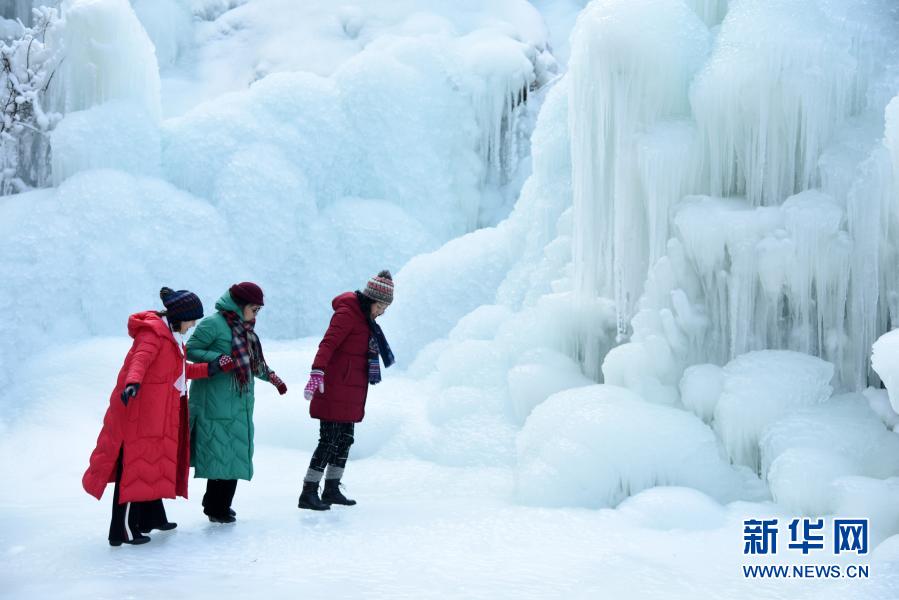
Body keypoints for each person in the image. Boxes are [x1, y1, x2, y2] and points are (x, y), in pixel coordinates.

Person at [83, 287, 235, 546]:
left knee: (150, 468)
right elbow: (139, 361)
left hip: (158, 413)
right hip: (139, 414)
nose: (193, 325)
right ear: (180, 317)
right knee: (133, 470)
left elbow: (178, 373)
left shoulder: (171, 337)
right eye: (192, 320)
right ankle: (124, 531)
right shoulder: (153, 335)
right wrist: (132, 383)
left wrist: (210, 368)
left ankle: (150, 519)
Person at [186, 282, 288, 523]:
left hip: (239, 402)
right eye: (254, 309)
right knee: (219, 456)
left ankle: (221, 504)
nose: (256, 315)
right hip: (215, 402)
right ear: (239, 305)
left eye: (258, 310)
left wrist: (271, 377)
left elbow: (253, 363)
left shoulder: (246, 331)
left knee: (234, 455)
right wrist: (218, 359)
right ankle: (215, 508)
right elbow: (190, 350)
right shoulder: (213, 324)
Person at [299, 270, 396, 510]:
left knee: (345, 439)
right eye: (382, 306)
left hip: (351, 390)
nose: (382, 312)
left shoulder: (365, 319)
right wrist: (317, 372)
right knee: (329, 440)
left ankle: (332, 488)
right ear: (373, 300)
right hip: (334, 387)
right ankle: (309, 491)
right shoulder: (348, 313)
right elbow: (328, 343)